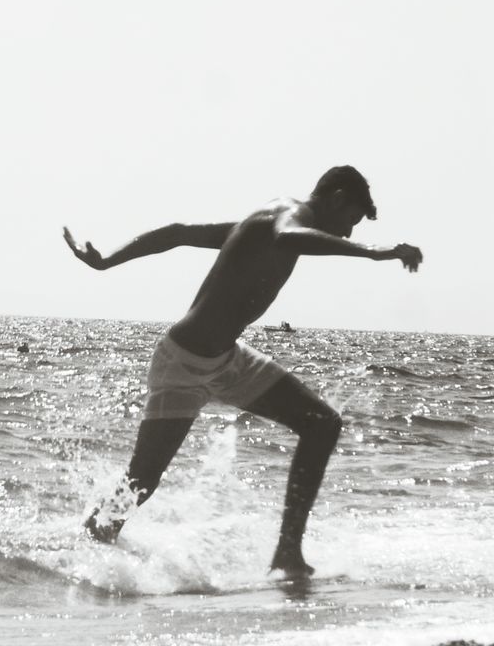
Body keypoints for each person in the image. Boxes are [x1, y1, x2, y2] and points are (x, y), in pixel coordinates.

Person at [62, 165, 422, 578]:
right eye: (350, 221)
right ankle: (89, 548)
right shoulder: (287, 219)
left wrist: (108, 260)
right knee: (142, 481)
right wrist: (377, 252)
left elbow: (178, 232)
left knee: (322, 423)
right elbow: (289, 235)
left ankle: (287, 553)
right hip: (183, 363)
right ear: (337, 198)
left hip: (228, 360)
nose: (347, 234)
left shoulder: (259, 225)